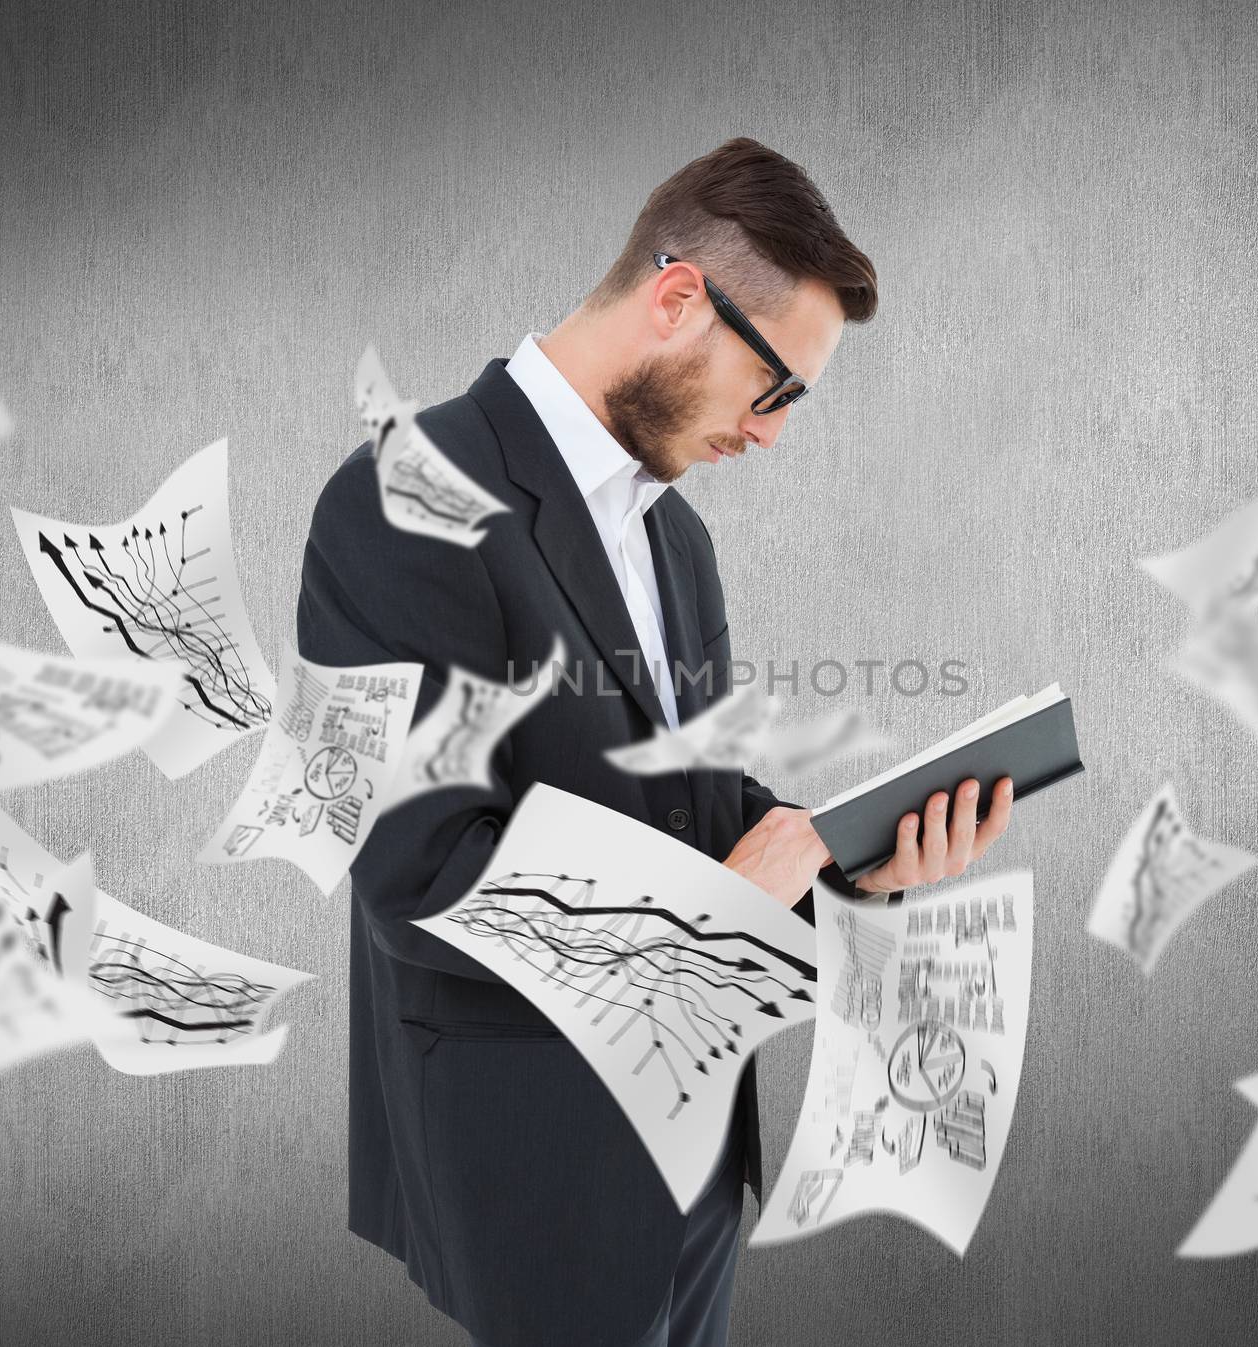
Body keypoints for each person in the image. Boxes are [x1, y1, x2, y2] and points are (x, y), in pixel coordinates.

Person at [296, 136, 1014, 1347]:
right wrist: (712, 912)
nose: (774, 435)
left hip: (697, 1141)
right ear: (680, 298)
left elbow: (688, 801)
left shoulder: (677, 542)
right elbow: (408, 869)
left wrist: (854, 868)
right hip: (534, 1163)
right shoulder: (394, 497)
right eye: (774, 387)